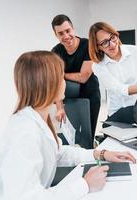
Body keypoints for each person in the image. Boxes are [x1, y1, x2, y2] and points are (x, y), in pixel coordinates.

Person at [0, 51, 136, 200]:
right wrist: (85, 184)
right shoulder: (25, 134)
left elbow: (58, 153)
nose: (65, 83)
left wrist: (100, 154)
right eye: (61, 77)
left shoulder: (37, 117)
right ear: (48, 84)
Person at [51, 14, 100, 144]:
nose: (66, 36)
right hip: (69, 96)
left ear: (73, 28)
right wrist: (60, 108)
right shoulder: (56, 52)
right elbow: (56, 82)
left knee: (88, 135)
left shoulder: (87, 45)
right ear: (56, 35)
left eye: (68, 31)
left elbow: (83, 77)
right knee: (72, 136)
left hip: (90, 94)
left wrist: (62, 74)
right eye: (61, 33)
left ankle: (90, 151)